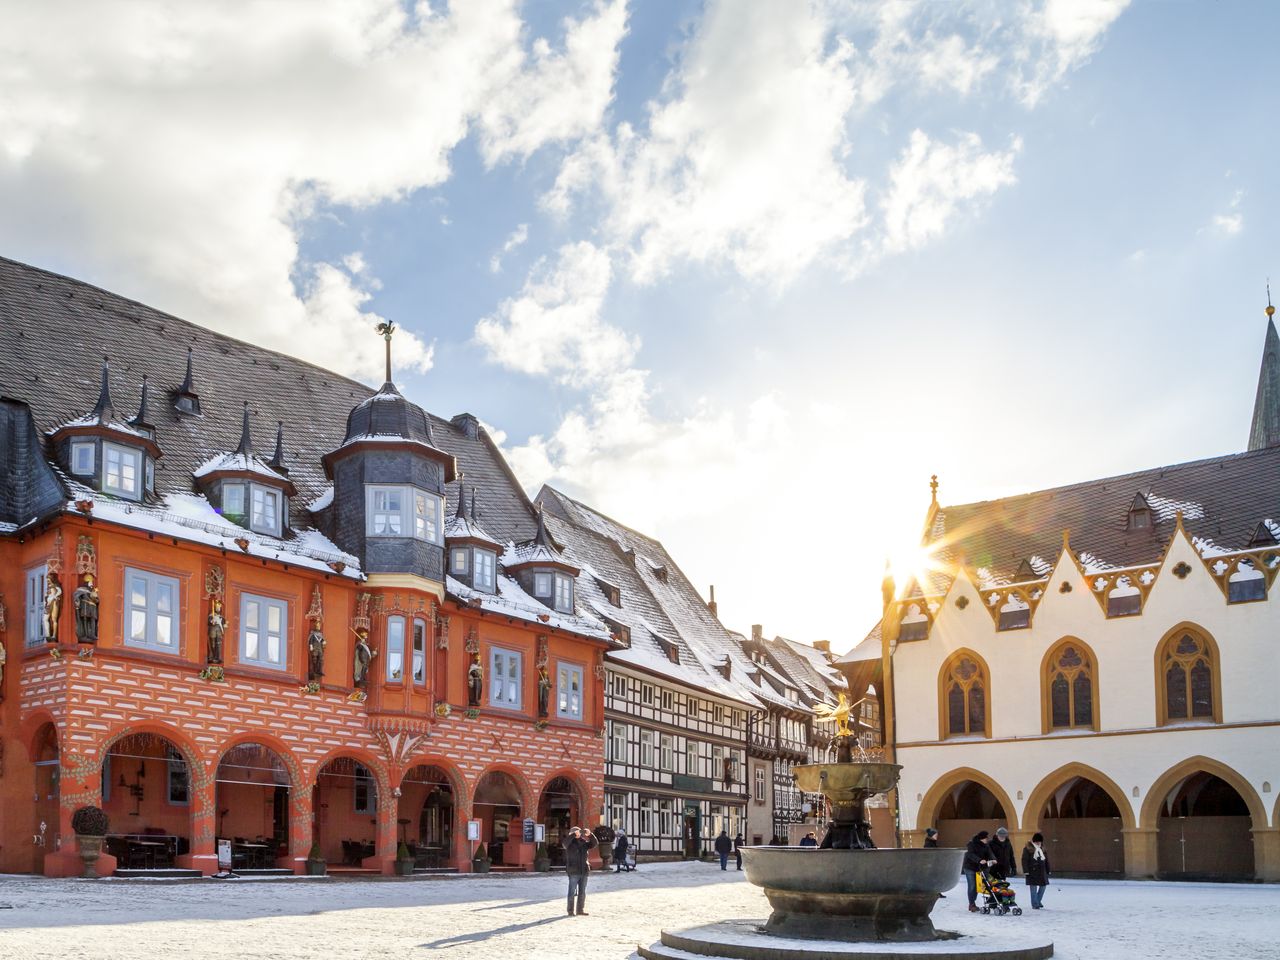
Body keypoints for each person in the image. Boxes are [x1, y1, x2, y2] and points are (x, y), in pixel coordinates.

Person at [562, 826, 597, 916]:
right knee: (572, 892)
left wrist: (590, 835)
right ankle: (570, 911)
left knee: (582, 892)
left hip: (584, 871)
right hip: (573, 871)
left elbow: (594, 844)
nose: (578, 834)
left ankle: (580, 910)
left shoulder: (583, 842)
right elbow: (564, 844)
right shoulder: (569, 843)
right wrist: (573, 835)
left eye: (578, 832)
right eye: (575, 833)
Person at [962, 831, 997, 913]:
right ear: (981, 838)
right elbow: (970, 855)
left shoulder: (986, 845)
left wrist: (993, 859)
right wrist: (979, 860)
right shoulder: (971, 844)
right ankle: (971, 904)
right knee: (972, 886)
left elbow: (990, 853)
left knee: (978, 886)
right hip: (969, 868)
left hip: (980, 868)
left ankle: (973, 903)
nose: (987, 840)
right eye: (985, 838)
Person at [1021, 832, 1051, 909]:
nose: (1038, 843)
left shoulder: (1042, 849)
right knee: (1033, 888)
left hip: (1042, 871)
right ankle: (1035, 904)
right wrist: (1026, 871)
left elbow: (1046, 860)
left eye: (1039, 841)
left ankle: (1037, 900)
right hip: (1032, 870)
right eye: (1037, 841)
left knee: (1043, 886)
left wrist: (1048, 869)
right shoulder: (1027, 848)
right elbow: (1024, 860)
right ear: (1034, 841)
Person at [923, 828, 944, 897]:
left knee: (936, 878)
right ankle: (934, 892)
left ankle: (937, 892)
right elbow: (929, 854)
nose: (937, 836)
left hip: (934, 863)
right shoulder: (928, 843)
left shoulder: (932, 842)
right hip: (931, 864)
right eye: (935, 835)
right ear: (931, 835)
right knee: (933, 879)